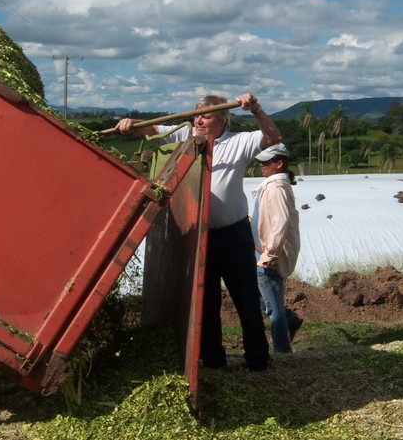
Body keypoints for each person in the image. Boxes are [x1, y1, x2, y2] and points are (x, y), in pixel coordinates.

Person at [114, 93, 281, 372]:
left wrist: (256, 109)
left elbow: (274, 137)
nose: (198, 120)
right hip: (201, 236)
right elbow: (153, 128)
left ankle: (258, 359)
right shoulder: (186, 135)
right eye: (196, 114)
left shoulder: (238, 141)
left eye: (206, 116)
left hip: (234, 235)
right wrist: (131, 123)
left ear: (223, 120)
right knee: (207, 302)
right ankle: (213, 360)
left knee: (246, 299)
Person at [252, 143, 302, 353]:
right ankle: (290, 319)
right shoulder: (271, 185)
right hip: (260, 252)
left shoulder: (276, 188)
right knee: (258, 298)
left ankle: (282, 351)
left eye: (267, 161)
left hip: (269, 256)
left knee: (273, 309)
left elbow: (280, 222)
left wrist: (271, 254)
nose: (262, 165)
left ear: (279, 163)